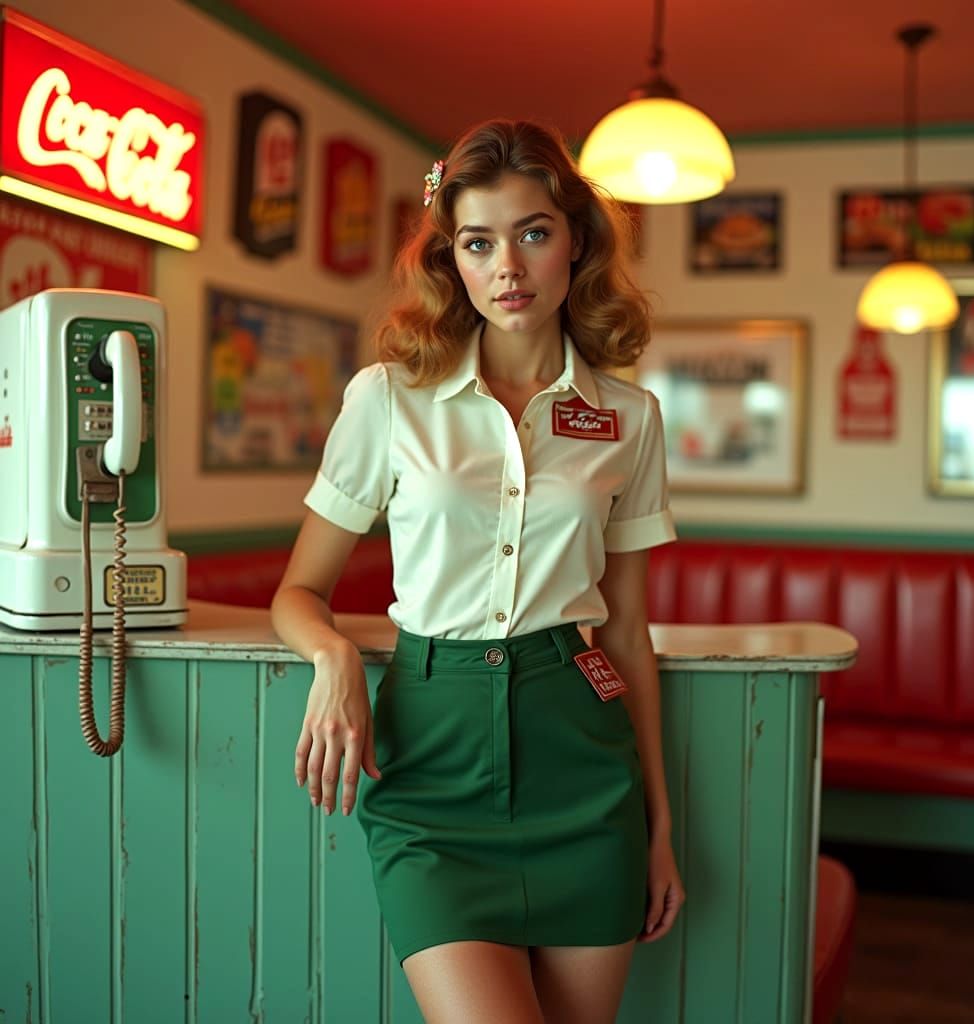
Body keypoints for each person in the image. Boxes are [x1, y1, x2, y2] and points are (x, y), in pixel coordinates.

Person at [271, 118, 685, 1024]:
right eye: (478, 241)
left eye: (533, 233)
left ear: (575, 240)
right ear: (449, 259)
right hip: (430, 772)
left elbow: (626, 634)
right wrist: (335, 660)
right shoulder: (387, 399)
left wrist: (659, 830)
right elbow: (299, 592)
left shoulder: (631, 416)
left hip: (584, 768)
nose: (509, 266)